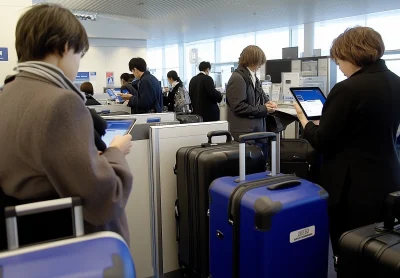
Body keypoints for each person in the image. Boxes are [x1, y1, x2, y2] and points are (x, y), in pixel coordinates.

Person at [0, 4, 133, 247]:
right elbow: (104, 199)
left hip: (27, 244)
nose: (78, 65)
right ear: (64, 47)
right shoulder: (61, 103)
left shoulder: (6, 94)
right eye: (78, 55)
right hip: (74, 246)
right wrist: (116, 152)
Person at [294, 26, 400, 257]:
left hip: (352, 189)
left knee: (349, 251)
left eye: (339, 61)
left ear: (351, 54)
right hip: (388, 177)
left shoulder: (347, 89)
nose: (339, 68)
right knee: (378, 251)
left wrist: (305, 122)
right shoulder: (395, 81)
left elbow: (323, 142)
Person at [226, 45, 277, 141]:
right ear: (253, 60)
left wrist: (269, 103)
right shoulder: (238, 78)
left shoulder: (252, 77)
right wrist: (263, 109)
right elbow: (238, 107)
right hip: (245, 131)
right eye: (259, 61)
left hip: (255, 129)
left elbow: (260, 94)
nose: (261, 65)